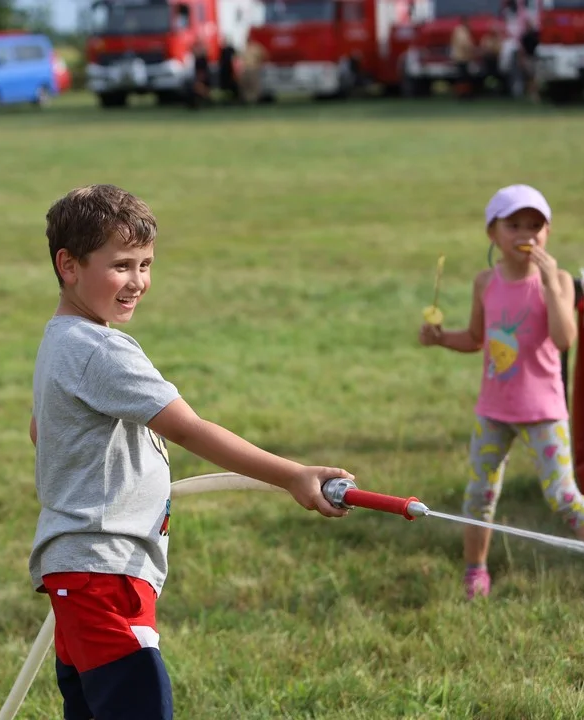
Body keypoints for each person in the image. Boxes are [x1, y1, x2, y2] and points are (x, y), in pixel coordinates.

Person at [28, 184, 354, 719]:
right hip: (102, 570)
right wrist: (293, 474)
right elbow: (191, 429)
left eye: (146, 264)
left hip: (87, 569)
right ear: (68, 265)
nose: (137, 282)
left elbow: (42, 431)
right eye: (122, 266)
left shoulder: (60, 338)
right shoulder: (100, 350)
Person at [418, 184, 584, 612]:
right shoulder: (485, 282)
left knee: (564, 496)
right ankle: (475, 570)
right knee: (479, 496)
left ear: (548, 232)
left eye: (535, 225)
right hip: (494, 411)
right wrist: (439, 339)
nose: (526, 233)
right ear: (493, 233)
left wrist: (550, 284)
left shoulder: (558, 280)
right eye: (514, 225)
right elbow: (475, 338)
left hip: (543, 412)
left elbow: (565, 340)